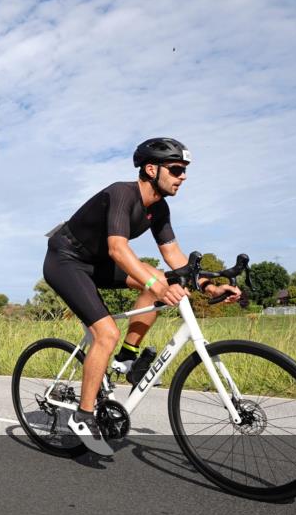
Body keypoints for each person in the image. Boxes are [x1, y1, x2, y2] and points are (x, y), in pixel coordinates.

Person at [43, 137, 241, 454]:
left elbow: (174, 254)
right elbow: (118, 249)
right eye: (176, 169)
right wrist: (157, 284)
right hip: (65, 260)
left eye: (184, 170)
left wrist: (208, 285)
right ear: (151, 169)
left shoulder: (159, 208)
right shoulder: (122, 194)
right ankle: (82, 416)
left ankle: (127, 358)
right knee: (106, 331)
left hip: (96, 265)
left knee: (159, 278)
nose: (183, 177)